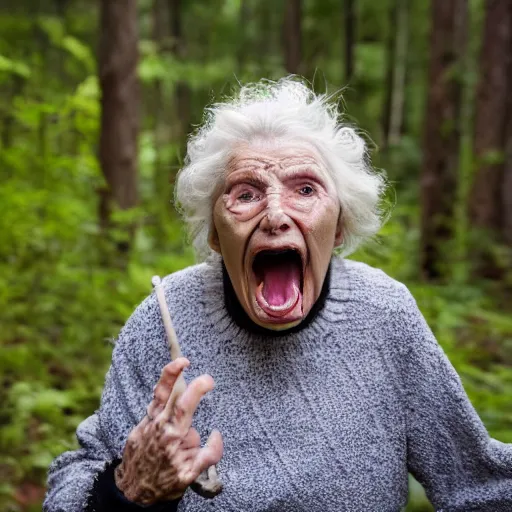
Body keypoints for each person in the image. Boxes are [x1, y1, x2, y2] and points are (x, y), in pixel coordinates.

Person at [44, 78, 512, 512]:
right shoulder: (162, 321)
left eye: (304, 189)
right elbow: (71, 488)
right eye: (245, 194)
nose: (274, 215)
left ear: (340, 226)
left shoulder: (385, 316)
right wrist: (128, 488)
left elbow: (478, 486)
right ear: (213, 233)